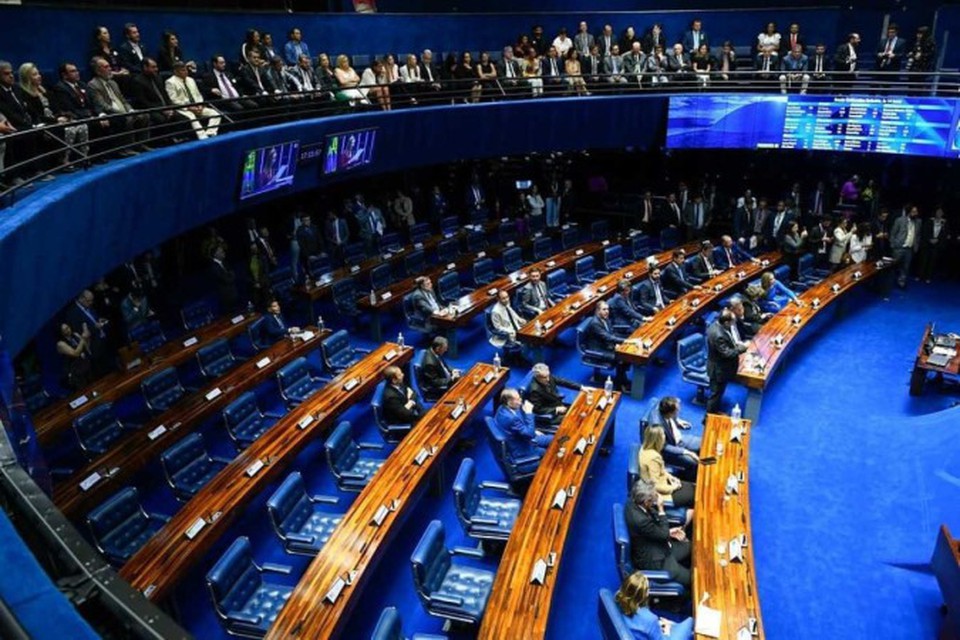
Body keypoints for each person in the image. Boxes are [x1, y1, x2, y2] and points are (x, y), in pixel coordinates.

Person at [624, 479, 692, 588]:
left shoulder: (633, 501)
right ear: (646, 502)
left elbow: (657, 529)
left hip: (658, 544)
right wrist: (661, 509)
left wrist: (668, 532)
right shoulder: (640, 520)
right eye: (654, 498)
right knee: (691, 579)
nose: (657, 498)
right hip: (654, 560)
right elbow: (663, 534)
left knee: (692, 547)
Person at [613, 571, 694, 640]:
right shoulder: (649, 618)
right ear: (643, 595)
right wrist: (667, 631)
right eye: (647, 589)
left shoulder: (617, 599)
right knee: (690, 621)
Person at [640, 425, 695, 510]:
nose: (664, 437)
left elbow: (661, 471)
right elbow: (656, 486)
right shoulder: (653, 458)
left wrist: (671, 477)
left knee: (693, 487)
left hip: (666, 483)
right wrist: (674, 487)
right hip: (662, 493)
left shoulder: (644, 447)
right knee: (696, 495)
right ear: (657, 440)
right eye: (662, 435)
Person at [706, 310, 748, 415]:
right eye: (732, 321)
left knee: (718, 393)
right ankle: (708, 418)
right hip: (718, 370)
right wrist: (743, 348)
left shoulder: (716, 325)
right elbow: (727, 353)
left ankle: (714, 412)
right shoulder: (718, 335)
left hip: (720, 366)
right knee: (715, 394)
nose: (734, 323)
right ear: (726, 322)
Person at [165, 61, 220, 140]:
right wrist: (189, 108)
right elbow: (173, 100)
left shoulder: (191, 80)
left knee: (215, 114)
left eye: (186, 70)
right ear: (176, 71)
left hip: (197, 106)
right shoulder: (170, 82)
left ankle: (210, 133)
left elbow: (198, 95)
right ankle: (203, 138)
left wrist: (200, 105)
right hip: (183, 108)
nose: (186, 72)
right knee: (192, 117)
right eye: (183, 70)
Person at [650, 396, 701, 479]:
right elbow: (664, 446)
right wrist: (686, 452)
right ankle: (688, 478)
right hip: (668, 450)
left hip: (677, 438)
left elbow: (672, 417)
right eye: (676, 411)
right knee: (693, 462)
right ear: (670, 413)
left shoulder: (664, 408)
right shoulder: (658, 426)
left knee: (703, 443)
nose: (678, 411)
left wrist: (677, 421)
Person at [494, 388, 552, 460]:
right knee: (548, 453)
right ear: (509, 402)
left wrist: (534, 430)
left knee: (553, 439)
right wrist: (529, 413)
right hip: (521, 447)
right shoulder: (511, 418)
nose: (521, 400)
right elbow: (530, 434)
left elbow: (521, 424)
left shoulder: (503, 407)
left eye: (519, 397)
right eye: (517, 399)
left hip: (525, 437)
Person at [420, 336, 461, 401]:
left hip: (445, 376)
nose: (446, 350)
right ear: (438, 348)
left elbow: (443, 365)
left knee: (465, 377)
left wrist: (452, 370)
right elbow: (435, 382)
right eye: (444, 348)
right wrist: (451, 379)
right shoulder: (430, 363)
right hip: (438, 388)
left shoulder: (435, 352)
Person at [891, 205, 921, 288]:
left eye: (916, 212)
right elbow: (893, 233)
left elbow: (918, 235)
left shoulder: (918, 222)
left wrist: (916, 246)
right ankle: (889, 281)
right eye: (913, 212)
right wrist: (893, 245)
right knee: (893, 266)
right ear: (909, 212)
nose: (915, 213)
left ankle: (901, 283)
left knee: (905, 267)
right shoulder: (899, 220)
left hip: (909, 249)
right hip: (899, 247)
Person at [56, 322, 93, 391]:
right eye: (64, 330)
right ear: (61, 332)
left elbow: (86, 347)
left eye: (67, 328)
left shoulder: (75, 335)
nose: (67, 330)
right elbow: (75, 353)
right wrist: (83, 339)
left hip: (86, 365)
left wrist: (87, 338)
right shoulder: (60, 344)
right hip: (76, 372)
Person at [918, 207, 951, 282]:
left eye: (941, 212)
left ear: (943, 214)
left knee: (932, 261)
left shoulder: (944, 223)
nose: (939, 214)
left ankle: (928, 277)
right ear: (935, 212)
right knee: (923, 260)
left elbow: (945, 234)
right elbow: (924, 231)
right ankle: (920, 275)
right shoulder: (929, 221)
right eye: (938, 212)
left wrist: (938, 240)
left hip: (936, 245)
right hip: (927, 244)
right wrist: (929, 239)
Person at [210, 244, 239, 312]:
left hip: (233, 294)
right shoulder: (214, 267)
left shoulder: (225, 263)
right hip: (225, 298)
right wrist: (231, 276)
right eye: (221, 251)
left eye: (223, 251)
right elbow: (226, 279)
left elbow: (233, 273)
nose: (223, 252)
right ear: (215, 254)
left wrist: (231, 276)